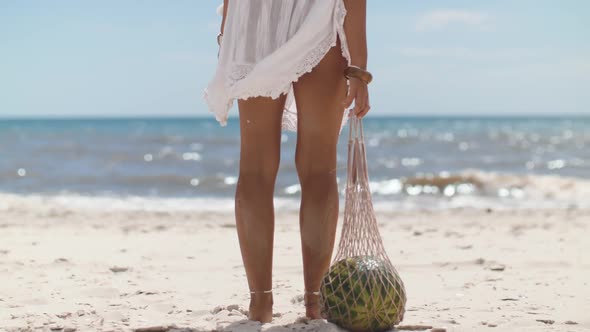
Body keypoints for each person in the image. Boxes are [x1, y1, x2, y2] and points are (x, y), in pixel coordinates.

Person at [204, 0, 371, 323]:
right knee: (319, 169)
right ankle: (315, 303)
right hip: (317, 18)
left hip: (254, 25)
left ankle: (260, 305)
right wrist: (359, 70)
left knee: (254, 170)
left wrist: (228, 32)